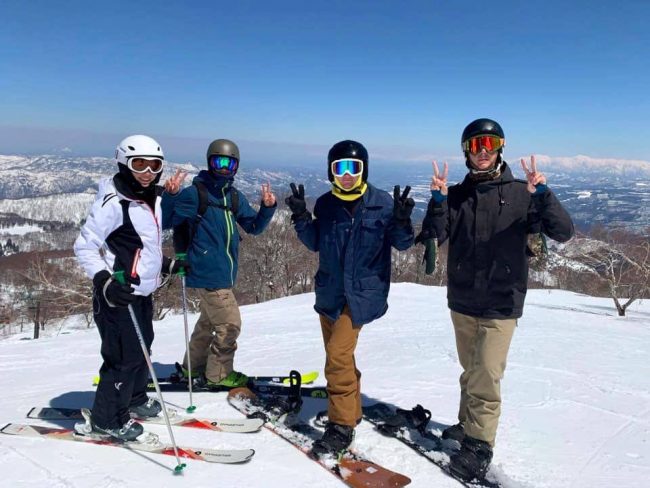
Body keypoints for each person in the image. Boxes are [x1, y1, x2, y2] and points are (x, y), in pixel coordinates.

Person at [418, 118, 574, 480]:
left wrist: (544, 195)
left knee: (487, 374)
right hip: (462, 298)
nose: (483, 150)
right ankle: (466, 425)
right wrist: (438, 201)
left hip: (502, 301)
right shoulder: (455, 196)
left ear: (500, 146)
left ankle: (479, 446)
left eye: (489, 142)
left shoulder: (522, 193)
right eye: (475, 145)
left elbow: (563, 232)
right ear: (466, 152)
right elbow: (432, 238)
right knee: (471, 369)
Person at [285, 140, 415, 458]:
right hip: (329, 291)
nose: (346, 175)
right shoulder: (327, 204)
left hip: (361, 295)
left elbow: (403, 244)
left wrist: (400, 221)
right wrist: (302, 217)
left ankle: (341, 426)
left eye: (352, 168)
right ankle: (352, 409)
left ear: (363, 170)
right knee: (341, 355)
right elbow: (316, 242)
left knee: (337, 356)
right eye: (339, 168)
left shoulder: (382, 203)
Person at [74, 135, 185, 440]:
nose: (147, 172)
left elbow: (141, 246)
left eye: (154, 165)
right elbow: (84, 247)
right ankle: (105, 420)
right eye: (139, 164)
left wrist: (166, 265)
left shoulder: (153, 199)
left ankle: (134, 399)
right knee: (123, 357)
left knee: (143, 347)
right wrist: (104, 282)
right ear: (124, 163)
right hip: (116, 296)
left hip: (142, 292)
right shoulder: (113, 203)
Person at [162, 139, 276, 388]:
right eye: (218, 162)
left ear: (236, 166)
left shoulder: (233, 197)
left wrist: (267, 208)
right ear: (209, 163)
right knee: (229, 324)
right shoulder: (195, 194)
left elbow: (253, 227)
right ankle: (219, 375)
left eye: (229, 163)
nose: (224, 168)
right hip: (206, 272)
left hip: (223, 274)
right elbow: (167, 220)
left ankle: (193, 369)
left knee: (209, 323)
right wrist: (170, 196)